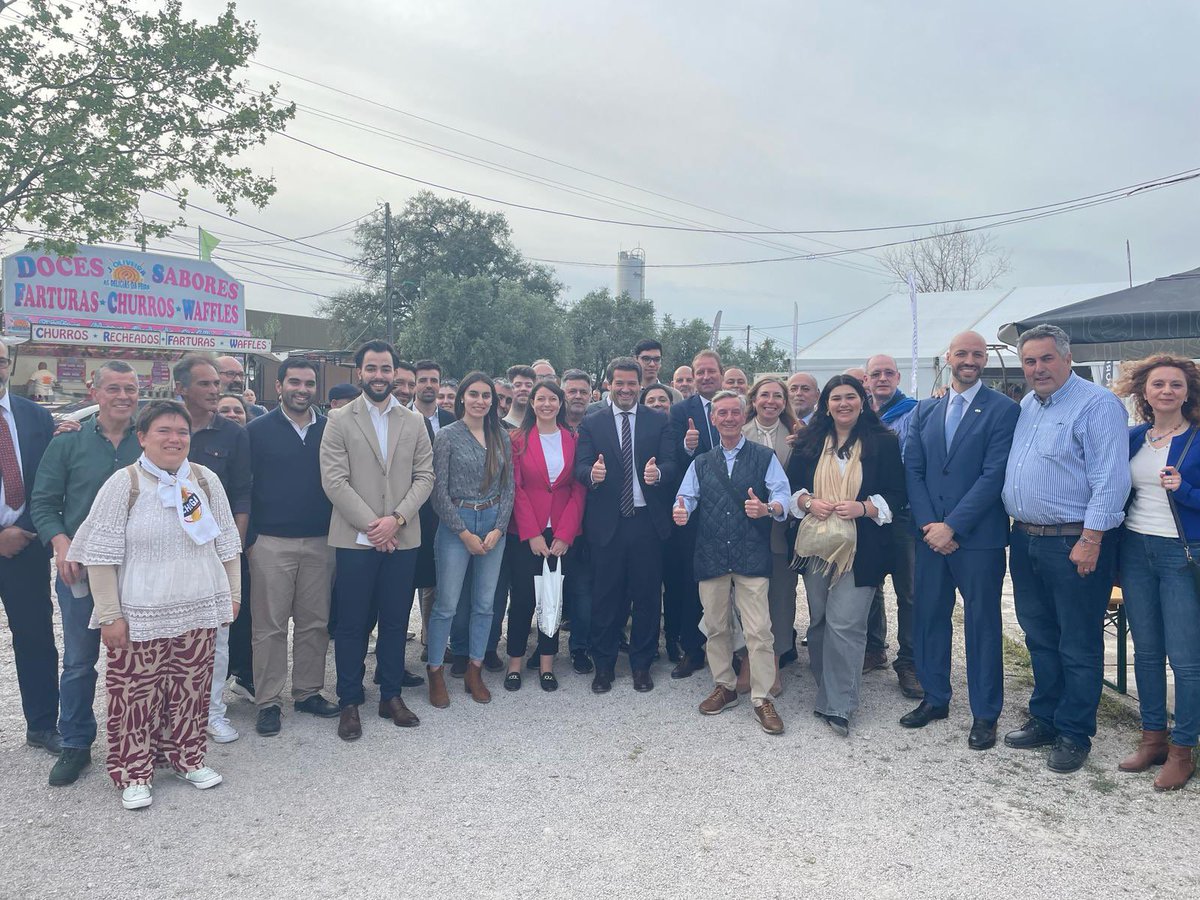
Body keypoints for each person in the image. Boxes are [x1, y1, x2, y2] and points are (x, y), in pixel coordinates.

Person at [67, 400, 241, 810]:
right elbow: (101, 557)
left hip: (198, 606)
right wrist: (110, 615)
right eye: (163, 431)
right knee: (134, 694)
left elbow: (228, 544)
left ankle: (187, 757)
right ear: (142, 437)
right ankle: (134, 771)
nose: (174, 439)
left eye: (181, 432)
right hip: (141, 611)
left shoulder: (205, 481)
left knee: (191, 690)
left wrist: (233, 595)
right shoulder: (122, 485)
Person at [1001, 324, 1129, 773]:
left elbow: (1111, 480)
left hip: (1074, 541)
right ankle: (1046, 717)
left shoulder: (1097, 404)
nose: (1038, 368)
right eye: (1030, 361)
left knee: (1077, 642)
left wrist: (1092, 540)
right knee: (1039, 635)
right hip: (1026, 538)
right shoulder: (1028, 407)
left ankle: (1075, 732)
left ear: (1068, 358)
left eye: (1046, 359)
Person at [902, 332, 1019, 751]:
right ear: (948, 357)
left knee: (982, 625)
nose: (970, 360)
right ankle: (935, 698)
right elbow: (912, 471)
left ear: (985, 359)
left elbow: (994, 475)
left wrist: (953, 526)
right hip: (931, 537)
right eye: (962, 353)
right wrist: (931, 525)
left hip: (978, 539)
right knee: (929, 618)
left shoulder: (1004, 410)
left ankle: (985, 713)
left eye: (977, 354)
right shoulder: (924, 411)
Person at [31, 361, 141, 788]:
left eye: (130, 388)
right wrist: (61, 544)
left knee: (138, 659)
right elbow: (44, 503)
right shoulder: (68, 444)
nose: (123, 396)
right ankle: (76, 743)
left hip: (138, 571)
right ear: (94, 393)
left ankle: (138, 740)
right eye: (113, 388)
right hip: (81, 568)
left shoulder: (148, 440)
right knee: (80, 661)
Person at [320, 340, 434, 740]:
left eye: (386, 369)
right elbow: (334, 481)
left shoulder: (414, 421)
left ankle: (390, 695)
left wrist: (397, 519)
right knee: (351, 623)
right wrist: (375, 525)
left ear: (395, 374)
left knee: (395, 619)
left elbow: (425, 477)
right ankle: (349, 701)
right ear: (360, 373)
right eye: (372, 368)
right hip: (355, 539)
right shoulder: (338, 420)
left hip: (403, 537)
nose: (380, 376)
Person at [787, 375, 906, 737]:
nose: (843, 403)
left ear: (862, 401)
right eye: (836, 398)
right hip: (817, 546)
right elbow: (791, 489)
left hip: (862, 547)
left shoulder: (883, 442)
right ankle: (828, 682)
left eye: (850, 397)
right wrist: (809, 501)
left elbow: (898, 494)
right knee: (821, 619)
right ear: (826, 404)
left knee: (847, 623)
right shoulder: (808, 442)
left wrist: (865, 507)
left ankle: (838, 703)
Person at [673, 391, 790, 734]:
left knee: (758, 629)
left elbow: (782, 494)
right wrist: (680, 510)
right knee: (716, 627)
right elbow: (686, 496)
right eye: (721, 413)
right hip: (710, 552)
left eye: (733, 413)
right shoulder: (701, 462)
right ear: (714, 419)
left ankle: (762, 696)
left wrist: (769, 509)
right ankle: (724, 686)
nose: (727, 418)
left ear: (743, 417)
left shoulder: (764, 456)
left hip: (751, 551)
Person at [1113, 355, 1200, 790]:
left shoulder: (1198, 439)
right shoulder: (1132, 439)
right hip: (1134, 550)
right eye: (1158, 384)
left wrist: (1184, 489)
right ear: (1143, 392)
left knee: (1185, 660)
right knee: (1146, 652)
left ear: (1188, 392)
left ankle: (1183, 750)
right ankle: (1153, 739)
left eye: (1176, 385)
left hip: (1181, 555)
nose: (1167, 391)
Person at [246, 359, 340, 737]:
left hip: (321, 540)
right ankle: (268, 701)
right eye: (295, 382)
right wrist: (250, 539)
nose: (303, 389)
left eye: (309, 383)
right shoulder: (256, 431)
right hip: (270, 542)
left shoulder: (330, 430)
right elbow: (244, 486)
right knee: (268, 627)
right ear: (280, 386)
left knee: (315, 623)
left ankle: (307, 691)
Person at [575, 357, 675, 694]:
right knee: (606, 597)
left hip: (646, 522)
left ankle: (642, 664)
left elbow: (672, 462)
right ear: (608, 385)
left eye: (632, 383)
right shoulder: (593, 422)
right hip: (608, 523)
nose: (626, 389)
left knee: (647, 597)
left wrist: (659, 473)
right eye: (620, 383)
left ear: (640, 385)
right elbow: (581, 466)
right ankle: (603, 665)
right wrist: (593, 475)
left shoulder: (657, 420)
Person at [174, 354, 252, 744]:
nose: (213, 390)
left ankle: (212, 712)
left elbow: (241, 495)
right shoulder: (165, 425)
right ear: (182, 388)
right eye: (204, 384)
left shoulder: (233, 434)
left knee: (218, 637)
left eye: (215, 384)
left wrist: (231, 549)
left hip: (215, 551)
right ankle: (172, 716)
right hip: (168, 552)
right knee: (170, 638)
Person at [426, 372, 514, 707]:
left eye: (486, 396)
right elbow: (438, 492)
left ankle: (474, 669)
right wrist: (463, 532)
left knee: (485, 604)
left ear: (493, 401)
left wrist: (498, 528)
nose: (480, 401)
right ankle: (435, 670)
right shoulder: (447, 436)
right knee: (447, 604)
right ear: (462, 397)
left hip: (493, 521)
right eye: (474, 394)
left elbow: (509, 487)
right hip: (456, 523)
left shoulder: (500, 436)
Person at [0, 341, 60, 758]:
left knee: (36, 637)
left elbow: (47, 484)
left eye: (0, 360)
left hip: (25, 548)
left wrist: (21, 529)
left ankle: (42, 725)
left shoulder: (36, 416)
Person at [506, 381, 586, 692]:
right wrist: (532, 534)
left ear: (561, 403)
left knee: (552, 598)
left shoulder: (574, 439)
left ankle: (547, 665)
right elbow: (516, 489)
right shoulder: (518, 440)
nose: (547, 404)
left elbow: (579, 490)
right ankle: (515, 663)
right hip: (528, 532)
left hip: (562, 532)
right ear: (532, 403)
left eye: (553, 399)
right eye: (541, 399)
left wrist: (565, 534)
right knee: (524, 599)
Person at [863, 353, 921, 698]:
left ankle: (910, 660)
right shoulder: (861, 415)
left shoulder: (916, 411)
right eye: (875, 374)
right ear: (867, 381)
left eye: (888, 373)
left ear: (898, 377)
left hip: (903, 511)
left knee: (909, 590)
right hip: (868, 510)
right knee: (868, 584)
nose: (882, 378)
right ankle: (874, 647)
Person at [665, 349, 724, 678]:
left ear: (721, 373)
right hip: (695, 513)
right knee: (692, 582)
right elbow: (672, 459)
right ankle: (692, 649)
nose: (704, 377)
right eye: (699, 372)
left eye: (710, 371)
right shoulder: (679, 412)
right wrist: (688, 447)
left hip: (735, 511)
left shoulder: (736, 405)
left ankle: (730, 649)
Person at [744, 376, 799, 695]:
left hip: (782, 529)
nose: (771, 401)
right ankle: (749, 661)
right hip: (745, 529)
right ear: (753, 399)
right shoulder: (740, 432)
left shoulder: (798, 435)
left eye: (778, 395)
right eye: (764, 395)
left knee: (780, 597)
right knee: (747, 600)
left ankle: (774, 664)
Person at [411, 360, 456, 662]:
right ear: (414, 384)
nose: (429, 385)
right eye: (423, 379)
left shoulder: (452, 420)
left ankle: (433, 641)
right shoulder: (401, 418)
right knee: (409, 580)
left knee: (439, 580)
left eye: (434, 380)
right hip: (411, 511)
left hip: (445, 511)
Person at [561, 369, 596, 674]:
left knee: (583, 590)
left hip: (590, 525)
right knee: (546, 588)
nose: (577, 396)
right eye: (572, 391)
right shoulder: (549, 427)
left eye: (583, 391)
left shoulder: (597, 427)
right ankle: (543, 648)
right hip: (554, 523)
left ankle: (580, 647)